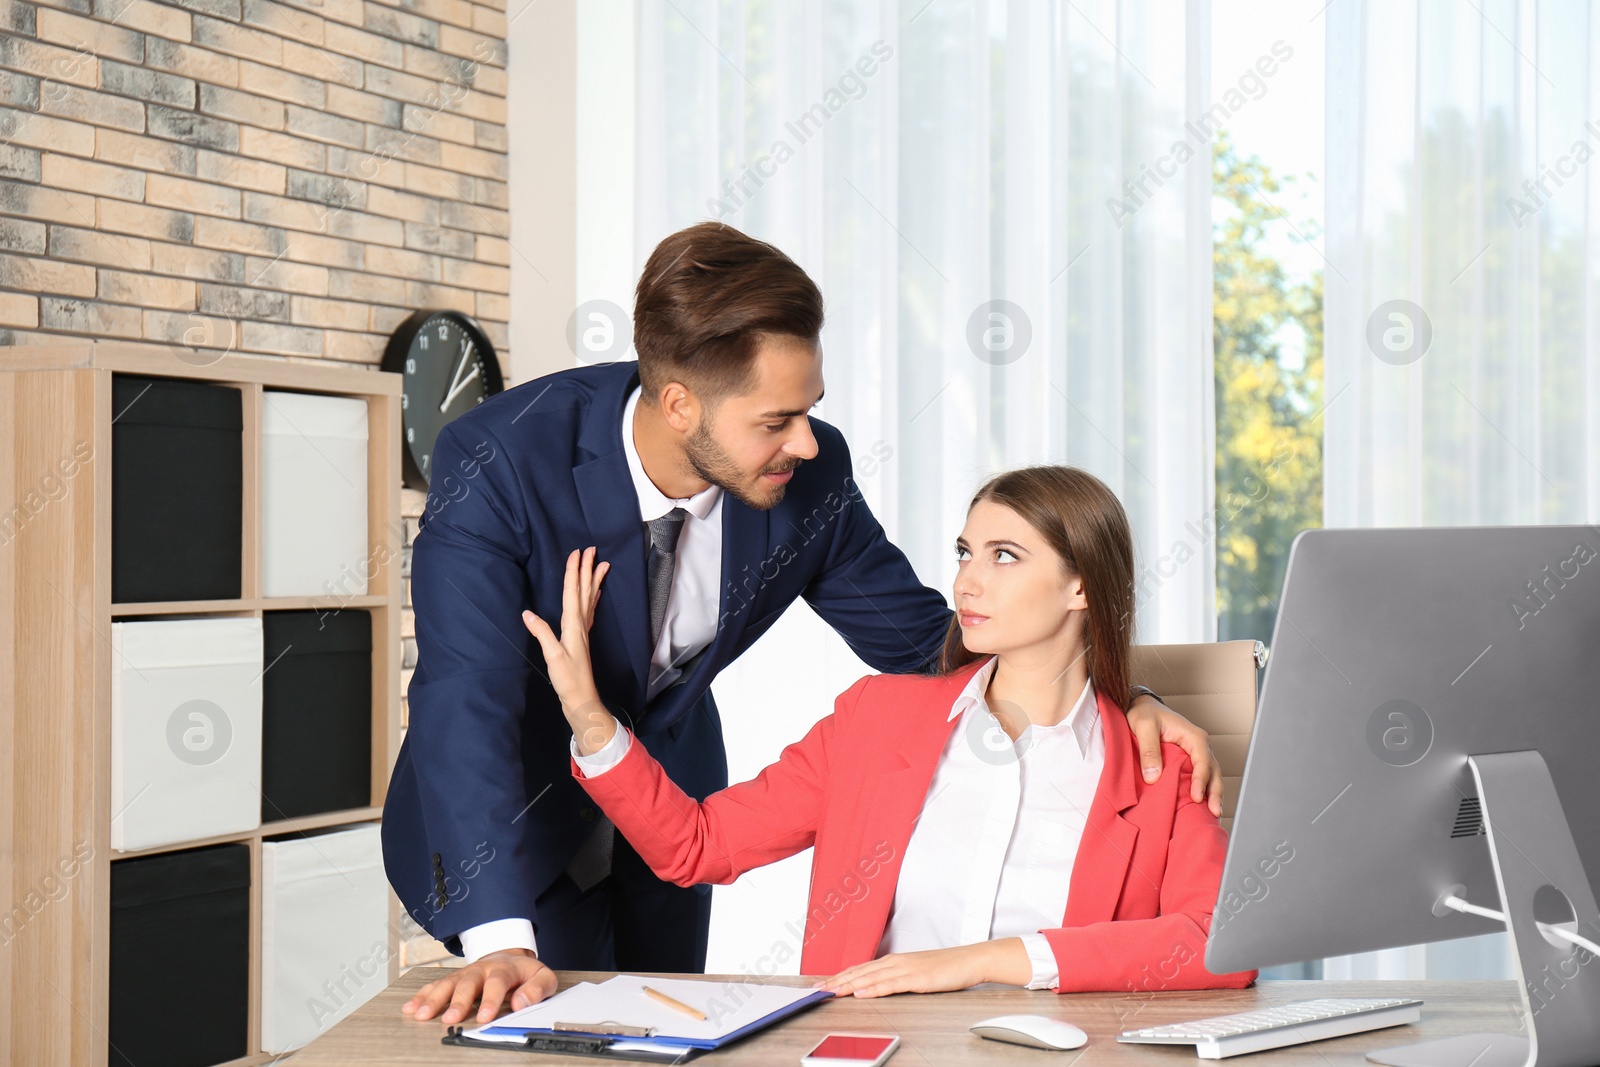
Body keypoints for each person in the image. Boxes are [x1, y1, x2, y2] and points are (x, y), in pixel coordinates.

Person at [389, 222, 1223, 1026]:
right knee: (556, 1035)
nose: (809, 442)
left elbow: (932, 639)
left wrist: (1121, 696)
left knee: (674, 1032)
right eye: (774, 421)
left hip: (669, 809)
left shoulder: (807, 477)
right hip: (514, 821)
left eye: (809, 409)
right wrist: (496, 936)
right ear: (680, 405)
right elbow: (467, 694)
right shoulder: (498, 461)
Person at [526, 465, 1256, 997]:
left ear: (1082, 585)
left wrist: (985, 959)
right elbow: (696, 844)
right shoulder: (876, 720)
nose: (969, 581)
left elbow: (1221, 946)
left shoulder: (1160, 762)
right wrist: (592, 720)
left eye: (1005, 556)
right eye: (966, 553)